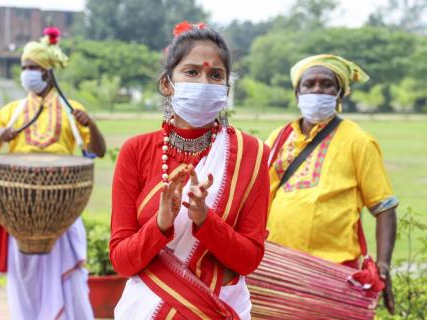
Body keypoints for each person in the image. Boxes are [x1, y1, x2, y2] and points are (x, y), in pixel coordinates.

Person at [110, 21, 270, 319]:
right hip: (146, 308)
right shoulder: (136, 151)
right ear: (167, 83)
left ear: (226, 87)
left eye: (216, 75)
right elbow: (121, 262)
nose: (204, 83)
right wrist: (160, 224)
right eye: (192, 72)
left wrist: (204, 220)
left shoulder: (251, 154)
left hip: (220, 309)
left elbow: (249, 261)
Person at [0, 27, 105, 320]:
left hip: (62, 211)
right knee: (26, 289)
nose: (28, 73)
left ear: (49, 73)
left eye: (33, 67)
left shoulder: (73, 110)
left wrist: (91, 124)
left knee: (69, 286)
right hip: (20, 215)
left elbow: (96, 151)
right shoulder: (11, 111)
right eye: (24, 67)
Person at [265, 54, 398, 314]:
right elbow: (257, 197)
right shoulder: (278, 138)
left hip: (334, 271)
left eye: (326, 84)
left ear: (339, 94)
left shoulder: (359, 141)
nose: (317, 90)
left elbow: (385, 208)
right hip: (277, 267)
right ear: (297, 93)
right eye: (309, 84)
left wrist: (383, 265)